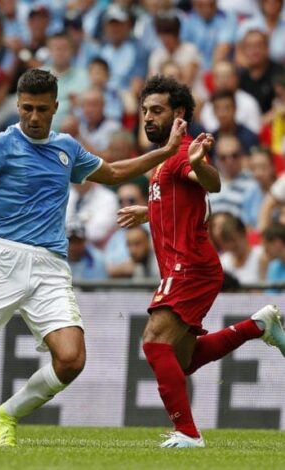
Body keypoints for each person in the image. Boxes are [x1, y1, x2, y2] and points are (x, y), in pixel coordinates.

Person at [0, 69, 194, 447]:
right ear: (17, 105)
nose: (33, 116)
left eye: (42, 109)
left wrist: (165, 152)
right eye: (26, 108)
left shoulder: (67, 148)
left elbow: (113, 173)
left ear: (55, 108)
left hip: (50, 265)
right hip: (1, 258)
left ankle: (6, 414)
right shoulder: (1, 145)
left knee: (71, 359)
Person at [116, 75, 285, 448]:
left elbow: (212, 183)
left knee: (154, 342)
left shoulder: (183, 151)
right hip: (189, 267)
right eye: (145, 111)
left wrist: (199, 163)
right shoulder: (163, 159)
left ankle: (189, 433)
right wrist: (149, 211)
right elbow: (190, 202)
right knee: (183, 360)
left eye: (157, 110)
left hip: (189, 266)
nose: (148, 118)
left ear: (179, 113)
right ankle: (258, 325)